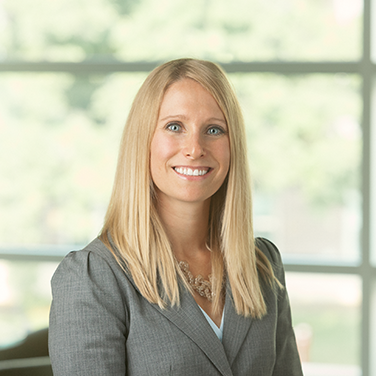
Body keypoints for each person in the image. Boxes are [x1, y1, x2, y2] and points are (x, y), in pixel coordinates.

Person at [49, 58, 303, 376]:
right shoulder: (94, 277)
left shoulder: (262, 264)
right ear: (143, 140)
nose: (195, 148)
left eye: (214, 129)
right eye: (174, 127)